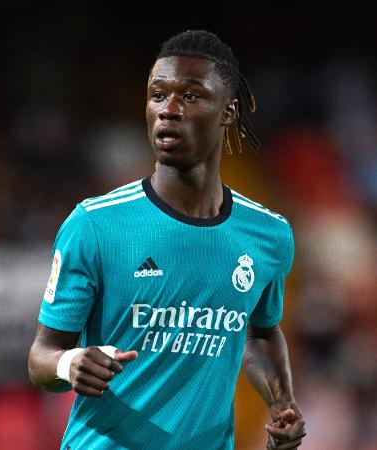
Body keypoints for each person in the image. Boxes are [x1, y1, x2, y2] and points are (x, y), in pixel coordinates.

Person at [28, 30, 306, 450]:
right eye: (158, 95)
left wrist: (281, 402)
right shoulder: (95, 224)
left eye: (191, 97)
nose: (169, 110)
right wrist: (70, 363)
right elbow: (42, 357)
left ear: (227, 112)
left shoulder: (267, 235)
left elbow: (260, 333)